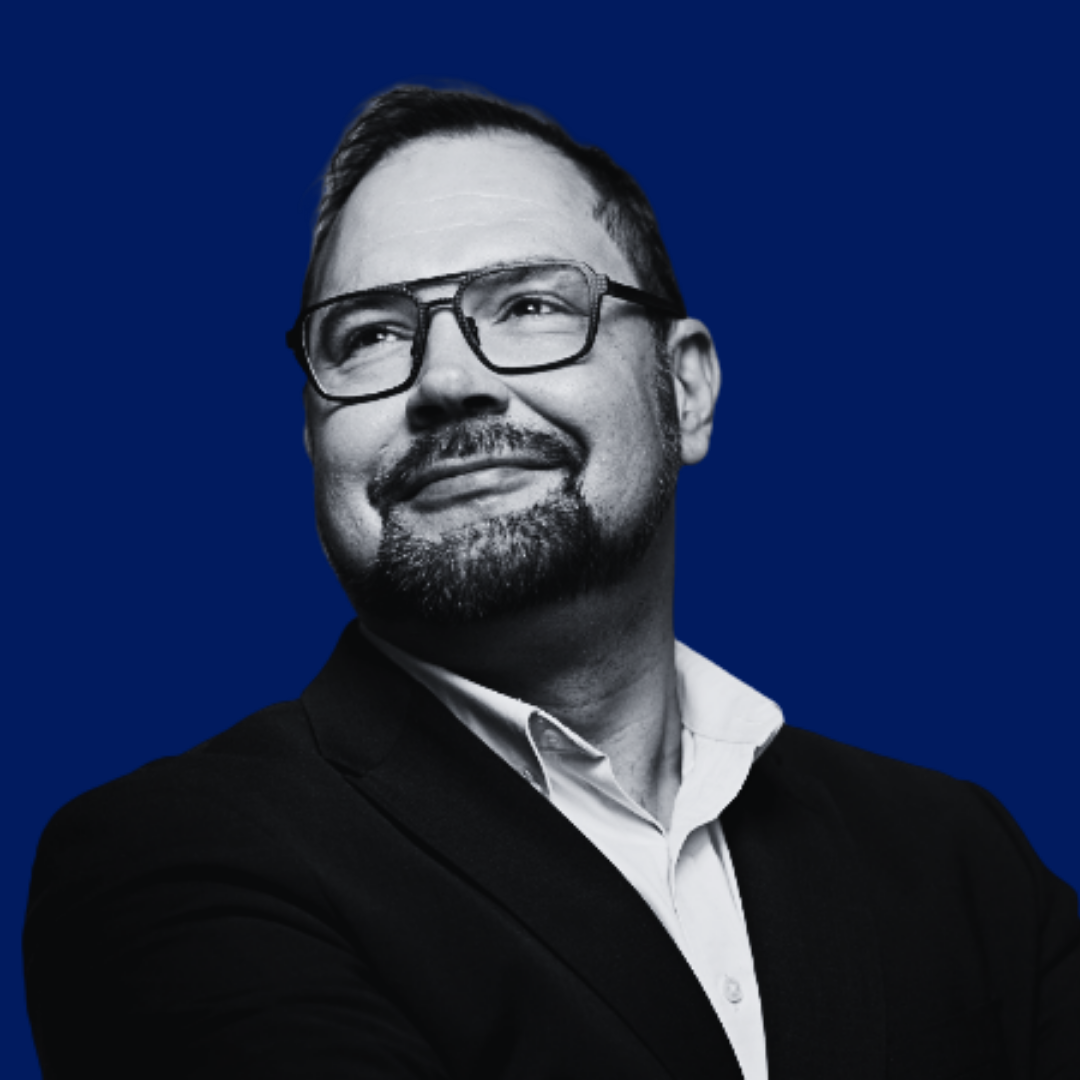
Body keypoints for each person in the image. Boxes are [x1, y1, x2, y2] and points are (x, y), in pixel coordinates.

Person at [23, 85, 1079, 1079]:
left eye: (529, 304)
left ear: (688, 390)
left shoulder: (957, 858)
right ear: (311, 437)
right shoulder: (174, 861)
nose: (446, 382)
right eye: (373, 335)